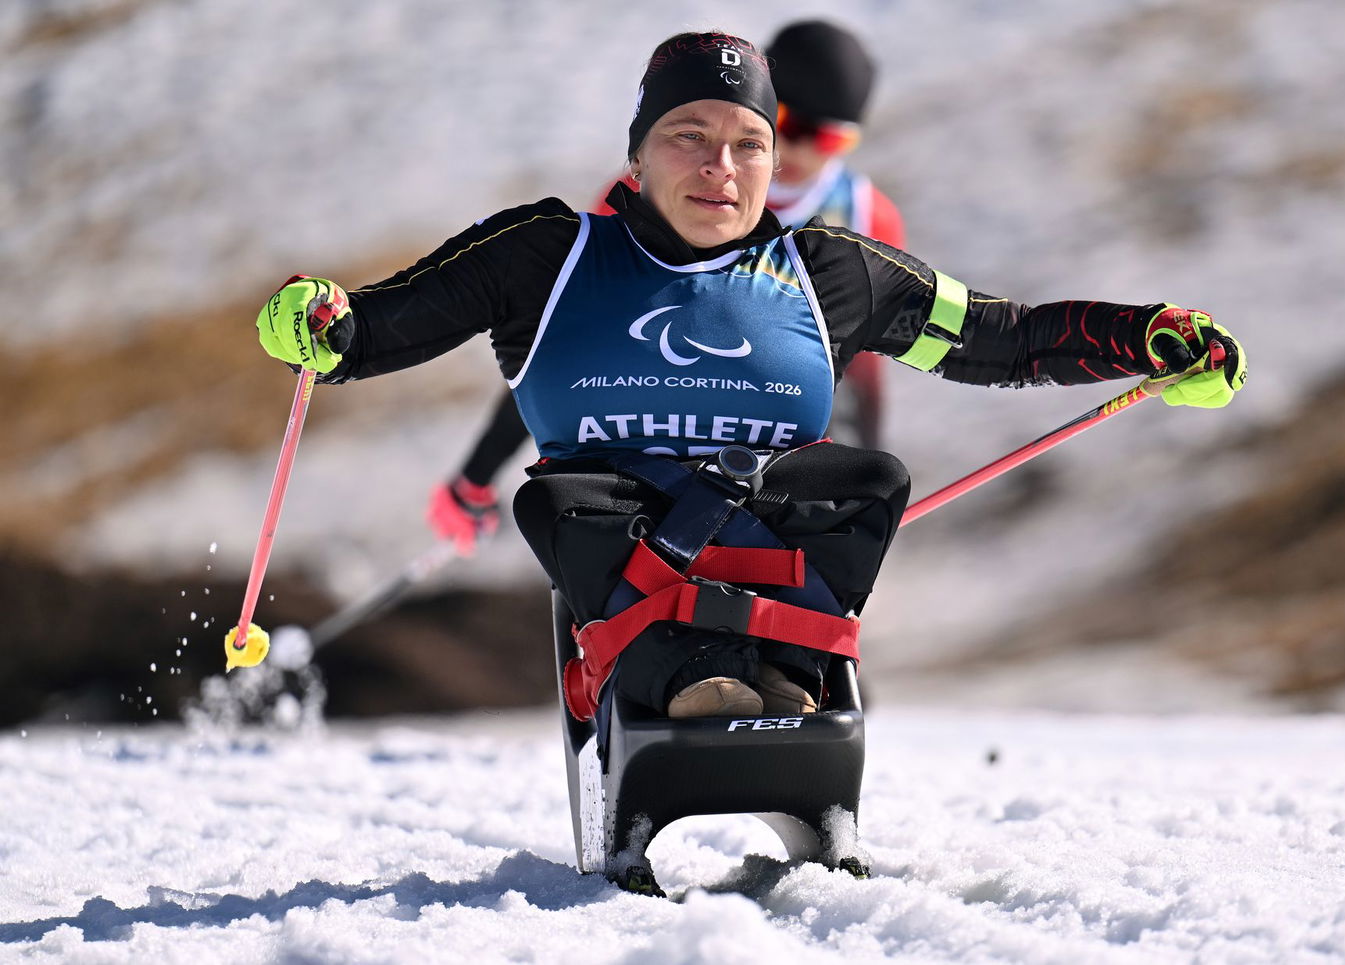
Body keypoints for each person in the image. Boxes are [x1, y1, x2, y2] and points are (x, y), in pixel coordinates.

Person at [253, 30, 1246, 721]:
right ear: (637, 155)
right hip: (617, 534)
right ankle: (689, 678)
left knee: (867, 480)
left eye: (747, 145)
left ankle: (778, 674)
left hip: (763, 535)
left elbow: (1005, 337)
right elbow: (373, 331)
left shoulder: (831, 271)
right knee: (564, 497)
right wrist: (319, 324)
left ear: (773, 165)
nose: (719, 167)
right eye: (688, 136)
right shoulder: (544, 252)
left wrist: (1146, 339)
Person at [427, 20, 901, 557]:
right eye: (788, 121)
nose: (799, 149)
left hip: (773, 485)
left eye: (829, 138)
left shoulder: (866, 218)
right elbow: (564, 343)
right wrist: (477, 474)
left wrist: (864, 504)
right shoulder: (652, 194)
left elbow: (866, 373)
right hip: (645, 477)